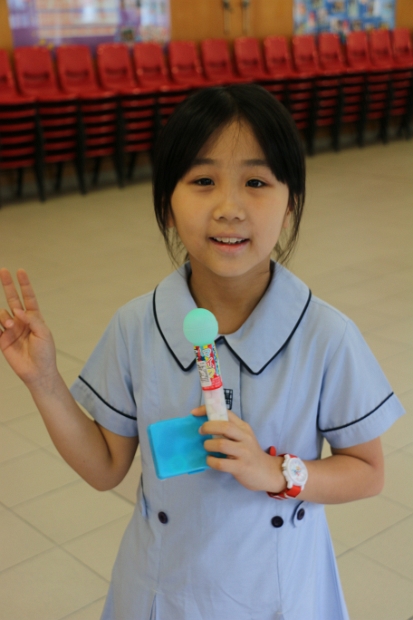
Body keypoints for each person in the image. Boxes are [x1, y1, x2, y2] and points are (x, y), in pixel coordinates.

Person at [0, 85, 405, 620]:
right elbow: (104, 468)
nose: (229, 208)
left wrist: (275, 472)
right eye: (203, 181)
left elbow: (367, 472)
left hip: (280, 593)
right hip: (163, 591)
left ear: (290, 205)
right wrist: (45, 382)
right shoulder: (136, 326)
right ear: (167, 205)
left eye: (256, 182)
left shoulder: (325, 335)